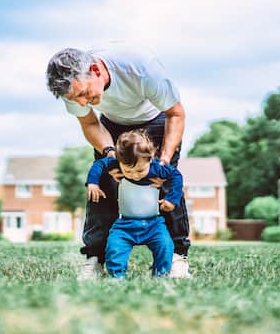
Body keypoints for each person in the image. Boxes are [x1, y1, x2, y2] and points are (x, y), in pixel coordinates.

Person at [45, 45, 191, 279]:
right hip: (112, 125)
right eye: (76, 99)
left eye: (84, 94)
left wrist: (164, 161)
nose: (82, 103)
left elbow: (176, 113)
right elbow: (90, 124)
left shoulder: (142, 69)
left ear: (95, 70)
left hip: (155, 119)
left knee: (166, 182)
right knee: (102, 183)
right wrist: (110, 154)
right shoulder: (72, 90)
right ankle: (95, 258)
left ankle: (178, 257)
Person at [86, 130, 183, 278]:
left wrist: (171, 199)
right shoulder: (116, 163)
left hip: (154, 224)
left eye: (140, 170)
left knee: (165, 245)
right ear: (119, 161)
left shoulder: (157, 168)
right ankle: (117, 276)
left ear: (150, 159)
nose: (135, 175)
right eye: (129, 171)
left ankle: (161, 274)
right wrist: (93, 183)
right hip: (124, 224)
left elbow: (176, 175)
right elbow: (99, 165)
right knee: (114, 248)